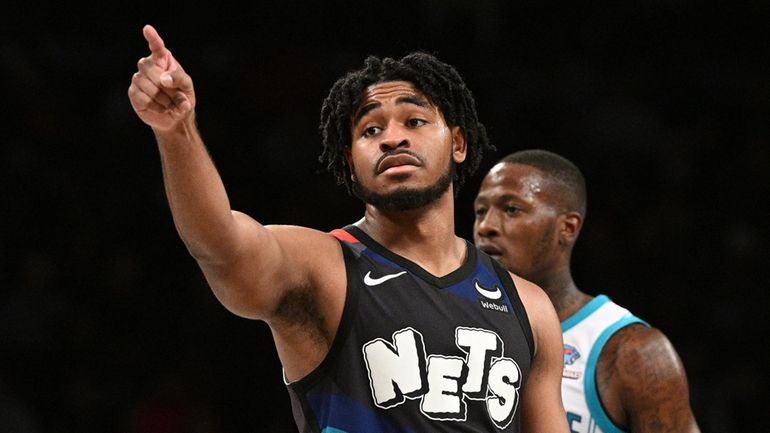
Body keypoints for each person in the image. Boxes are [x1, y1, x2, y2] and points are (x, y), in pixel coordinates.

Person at [128, 25, 568, 432]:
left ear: (457, 143)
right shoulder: (322, 266)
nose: (393, 138)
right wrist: (177, 131)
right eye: (371, 129)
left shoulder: (529, 307)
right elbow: (219, 244)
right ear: (350, 164)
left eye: (414, 121)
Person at [473, 149, 701, 433]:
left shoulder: (632, 352)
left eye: (511, 209)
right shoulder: (457, 329)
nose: (486, 226)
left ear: (567, 228)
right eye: (480, 211)